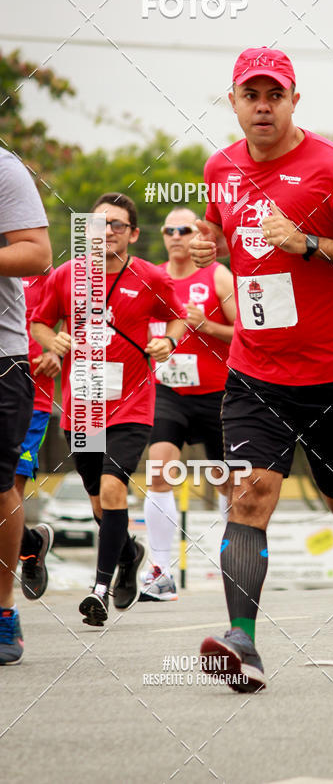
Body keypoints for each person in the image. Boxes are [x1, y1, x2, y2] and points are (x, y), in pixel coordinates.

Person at [190, 47, 333, 693]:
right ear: (232, 101)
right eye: (249, 94)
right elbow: (233, 232)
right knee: (251, 494)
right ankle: (242, 644)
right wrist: (211, 242)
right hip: (257, 369)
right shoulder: (219, 167)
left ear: (292, 101)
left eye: (273, 94)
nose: (261, 105)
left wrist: (308, 243)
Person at [31, 193, 185, 626]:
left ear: (134, 233)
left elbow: (177, 317)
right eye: (99, 224)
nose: (107, 232)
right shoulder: (67, 276)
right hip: (83, 406)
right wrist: (52, 341)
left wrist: (167, 341)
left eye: (117, 224)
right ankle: (129, 553)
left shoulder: (150, 276)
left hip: (133, 404)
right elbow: (40, 321)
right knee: (99, 502)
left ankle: (98, 589)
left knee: (114, 489)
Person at [142, 208, 235, 601]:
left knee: (230, 483)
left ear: (202, 236)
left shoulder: (217, 275)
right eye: (170, 230)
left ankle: (236, 562)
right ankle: (161, 571)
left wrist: (207, 326)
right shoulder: (152, 278)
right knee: (159, 467)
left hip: (218, 394)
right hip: (170, 392)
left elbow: (248, 333)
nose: (178, 236)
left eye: (187, 229)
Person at [0, 147, 52, 665]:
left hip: (1, 358)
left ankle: (3, 612)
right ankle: (30, 540)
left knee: (0, 487)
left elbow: (38, 254)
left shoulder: (4, 169)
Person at [17, 273, 61, 601]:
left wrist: (56, 352)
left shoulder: (55, 278)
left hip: (32, 401)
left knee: (10, 489)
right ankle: (31, 545)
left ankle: (29, 554)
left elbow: (83, 318)